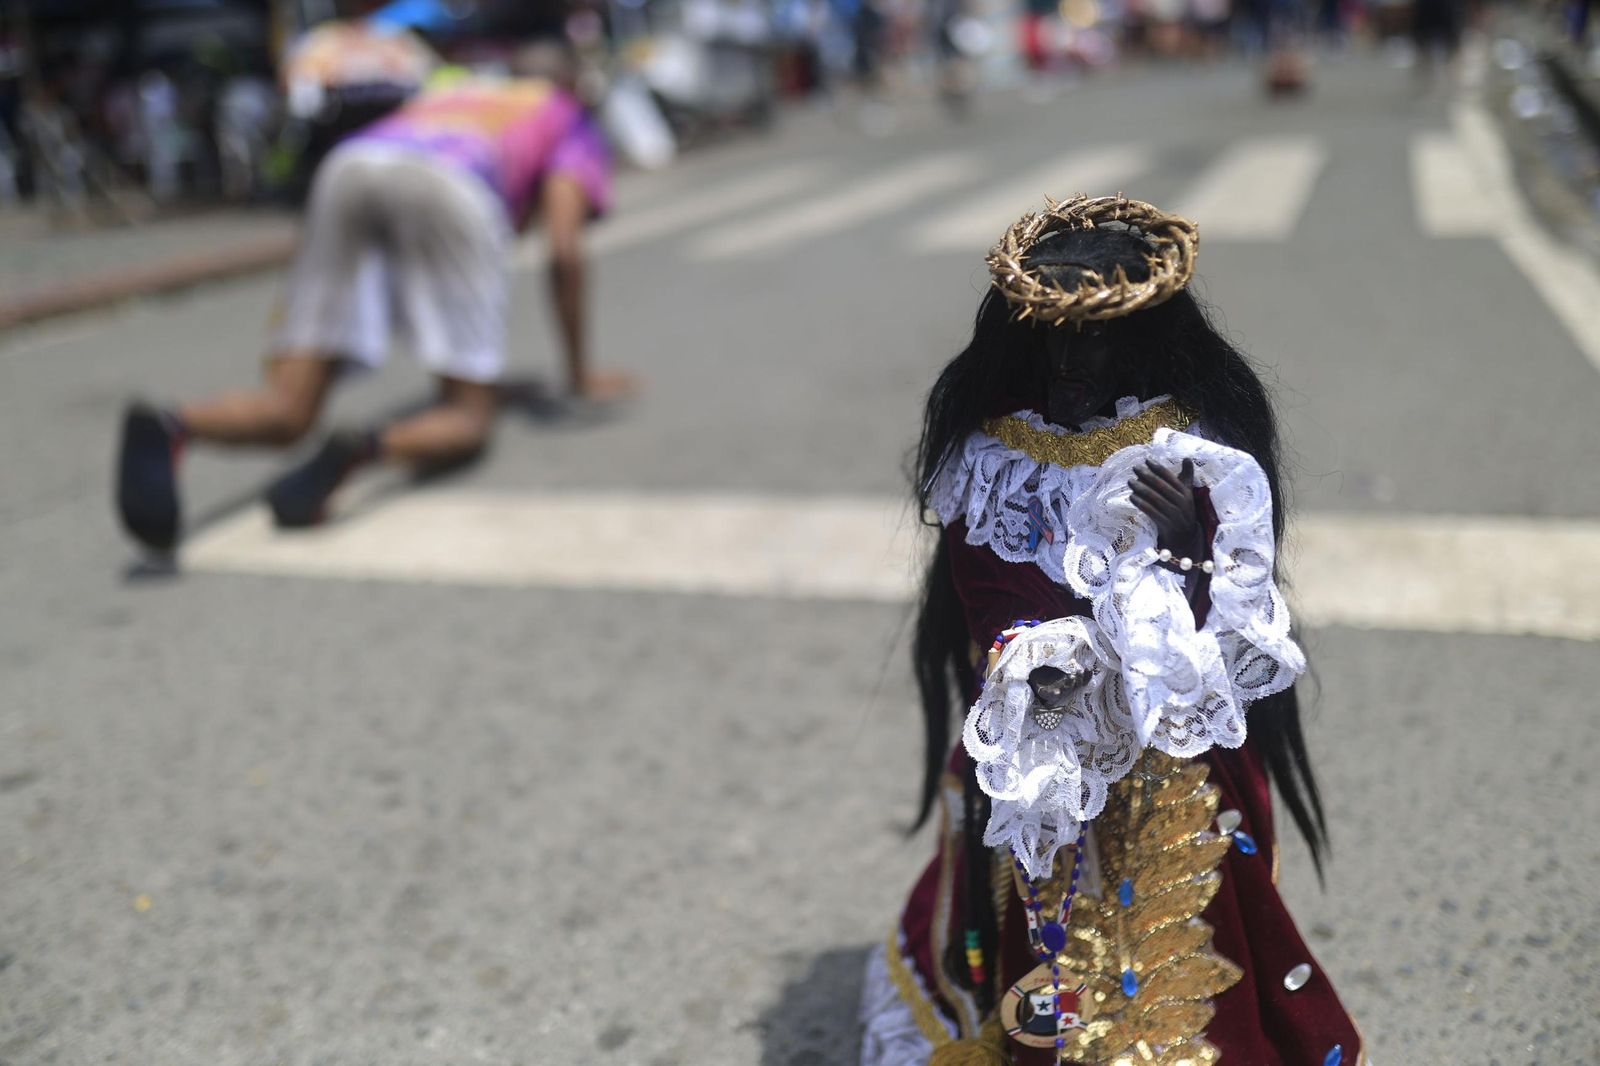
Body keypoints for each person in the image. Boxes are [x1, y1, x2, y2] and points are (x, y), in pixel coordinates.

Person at [859, 197, 1366, 1065]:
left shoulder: (1187, 445)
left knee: (1185, 902)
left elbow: (1227, 616)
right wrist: (1031, 661)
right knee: (1036, 908)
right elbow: (983, 588)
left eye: (1093, 339)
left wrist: (1186, 547)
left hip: (1158, 737)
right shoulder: (995, 456)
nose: (1069, 361)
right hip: (1043, 732)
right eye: (1051, 337)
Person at [115, 45, 632, 552]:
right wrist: (578, 374)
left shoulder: (454, 90)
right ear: (570, 83)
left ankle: (175, 424)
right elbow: (565, 251)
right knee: (468, 416)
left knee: (290, 406)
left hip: (353, 164)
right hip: (452, 183)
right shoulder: (563, 114)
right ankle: (364, 448)